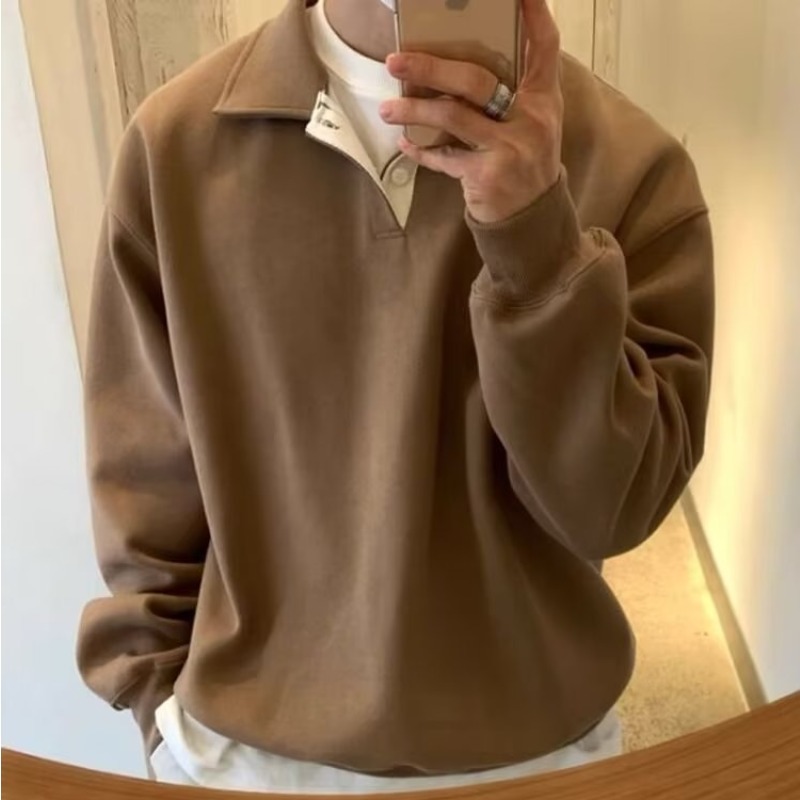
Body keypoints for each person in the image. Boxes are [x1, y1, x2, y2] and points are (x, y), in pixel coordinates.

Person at [75, 0, 715, 791]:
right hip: (242, 762)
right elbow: (144, 485)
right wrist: (159, 719)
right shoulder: (174, 146)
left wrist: (537, 239)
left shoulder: (634, 166)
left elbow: (615, 508)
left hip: (539, 758)